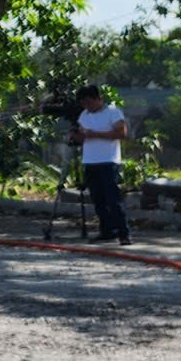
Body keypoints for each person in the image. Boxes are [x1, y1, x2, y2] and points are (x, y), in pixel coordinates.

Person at [75, 83, 134, 243]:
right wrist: (76, 136)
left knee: (113, 199)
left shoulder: (113, 112)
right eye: (83, 103)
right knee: (98, 200)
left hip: (108, 161)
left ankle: (124, 233)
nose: (86, 106)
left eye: (88, 102)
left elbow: (121, 133)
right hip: (90, 161)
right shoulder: (84, 115)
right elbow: (80, 136)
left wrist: (95, 134)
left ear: (98, 99)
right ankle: (107, 231)